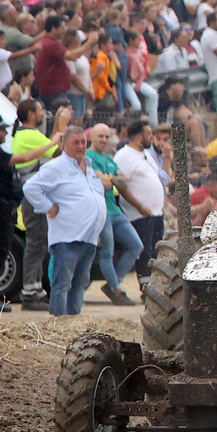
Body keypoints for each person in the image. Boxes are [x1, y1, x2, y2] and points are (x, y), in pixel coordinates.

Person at [22, 124, 108, 317]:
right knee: (62, 284)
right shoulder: (56, 167)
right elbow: (30, 187)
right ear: (63, 145)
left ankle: (73, 323)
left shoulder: (89, 166)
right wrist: (48, 206)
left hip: (89, 238)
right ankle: (58, 323)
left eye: (83, 142)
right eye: (75, 142)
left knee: (80, 284)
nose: (81, 146)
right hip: (67, 237)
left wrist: (96, 230)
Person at [0, 115, 52, 311]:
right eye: (1, 130)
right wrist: (52, 144)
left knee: (0, 251)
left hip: (6, 207)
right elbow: (24, 158)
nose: (5, 133)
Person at [14, 102, 68, 310]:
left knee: (39, 243)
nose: (43, 114)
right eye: (39, 110)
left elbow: (50, 147)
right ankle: (30, 292)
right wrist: (61, 126)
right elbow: (59, 153)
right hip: (34, 198)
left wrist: (57, 128)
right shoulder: (29, 135)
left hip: (35, 197)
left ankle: (36, 289)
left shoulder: (29, 134)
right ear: (30, 113)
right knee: (36, 243)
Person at [87, 123, 147, 307]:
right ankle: (116, 290)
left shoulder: (108, 158)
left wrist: (109, 177)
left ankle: (114, 283)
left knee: (136, 246)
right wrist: (112, 178)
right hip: (101, 210)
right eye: (101, 136)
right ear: (92, 137)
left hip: (115, 210)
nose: (104, 140)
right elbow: (107, 182)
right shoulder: (89, 157)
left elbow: (122, 181)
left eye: (107, 137)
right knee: (107, 252)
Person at [114, 119, 167, 282]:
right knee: (145, 254)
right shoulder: (124, 156)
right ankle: (145, 285)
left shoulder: (146, 154)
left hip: (155, 213)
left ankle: (154, 285)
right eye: (149, 133)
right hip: (139, 214)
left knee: (156, 252)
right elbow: (120, 185)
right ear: (139, 136)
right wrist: (139, 205)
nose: (151, 136)